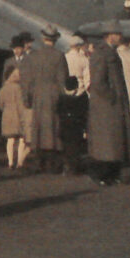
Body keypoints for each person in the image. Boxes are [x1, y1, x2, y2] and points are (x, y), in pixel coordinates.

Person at [86, 20, 130, 186]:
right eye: (118, 34)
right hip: (107, 106)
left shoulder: (108, 52)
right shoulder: (102, 54)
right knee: (107, 142)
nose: (120, 36)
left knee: (112, 141)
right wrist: (112, 97)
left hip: (111, 104)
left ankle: (111, 174)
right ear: (110, 35)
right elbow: (98, 82)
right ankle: (103, 175)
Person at [19, 26, 69, 172]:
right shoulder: (59, 56)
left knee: (38, 127)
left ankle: (39, 160)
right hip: (54, 94)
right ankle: (53, 161)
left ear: (43, 38)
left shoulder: (33, 56)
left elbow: (26, 81)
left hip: (38, 94)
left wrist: (26, 98)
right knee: (54, 126)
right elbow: (62, 79)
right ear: (56, 39)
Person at [60, 35, 90, 174]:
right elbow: (88, 79)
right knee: (78, 131)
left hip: (66, 91)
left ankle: (67, 162)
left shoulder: (64, 58)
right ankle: (76, 161)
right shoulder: (84, 60)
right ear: (79, 46)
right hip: (80, 92)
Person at [0, 65, 29, 169]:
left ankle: (10, 162)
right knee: (21, 140)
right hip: (19, 115)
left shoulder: (3, 89)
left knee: (10, 140)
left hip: (7, 116)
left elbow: (0, 103)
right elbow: (22, 103)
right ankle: (20, 162)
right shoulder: (19, 88)